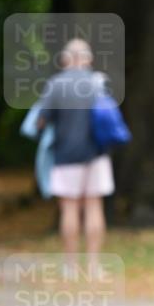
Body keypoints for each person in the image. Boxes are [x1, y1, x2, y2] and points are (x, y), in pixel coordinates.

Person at [36, 39, 115, 276]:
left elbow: (41, 121)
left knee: (69, 209)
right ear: (88, 59)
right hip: (97, 155)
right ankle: (93, 266)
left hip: (65, 155)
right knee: (94, 207)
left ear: (65, 60)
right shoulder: (99, 82)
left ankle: (70, 266)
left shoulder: (55, 85)